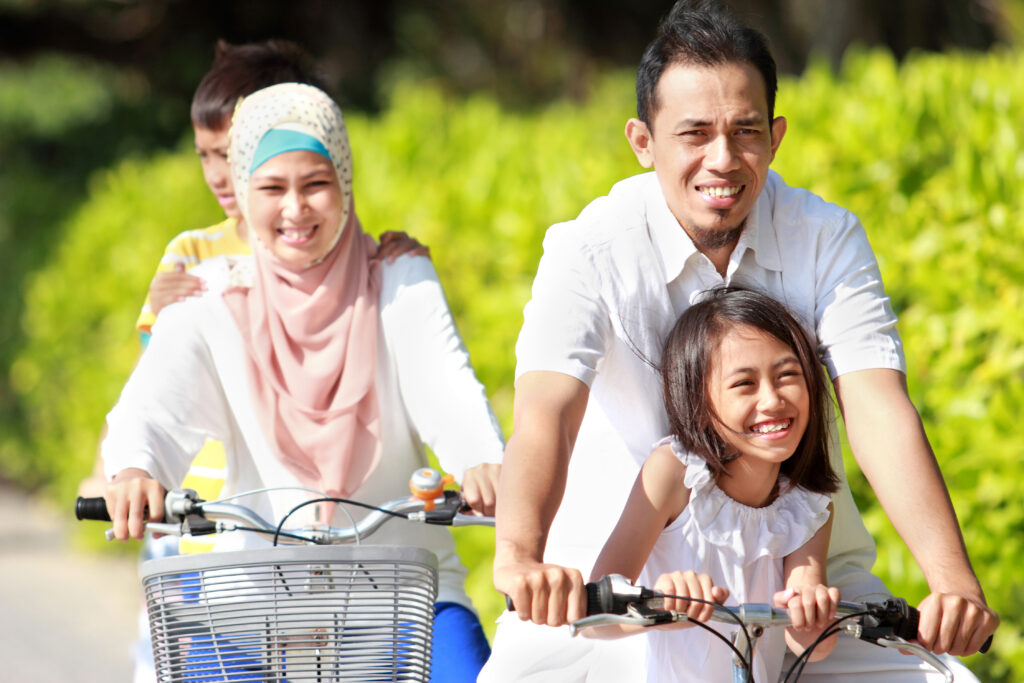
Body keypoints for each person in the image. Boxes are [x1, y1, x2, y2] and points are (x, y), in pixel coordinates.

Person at [484, 1, 998, 681]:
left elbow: (877, 405)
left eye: (746, 131)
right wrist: (522, 555)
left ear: (776, 135)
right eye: (694, 133)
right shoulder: (588, 249)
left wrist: (952, 580)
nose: (722, 160)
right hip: (612, 586)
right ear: (643, 141)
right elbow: (547, 410)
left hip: (804, 590)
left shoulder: (825, 235)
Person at [101, 82, 503, 682]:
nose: (295, 209)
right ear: (243, 191)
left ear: (344, 182)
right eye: (271, 187)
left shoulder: (398, 276)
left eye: (315, 184)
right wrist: (136, 469)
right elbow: (153, 408)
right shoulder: (212, 294)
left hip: (401, 595)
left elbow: (448, 385)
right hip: (245, 601)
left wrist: (482, 460)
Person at [585, 287, 842, 681]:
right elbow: (595, 617)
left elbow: (813, 644)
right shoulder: (673, 475)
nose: (772, 400)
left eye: (787, 375)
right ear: (699, 402)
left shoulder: (807, 508)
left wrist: (812, 615)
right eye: (745, 384)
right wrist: (659, 609)